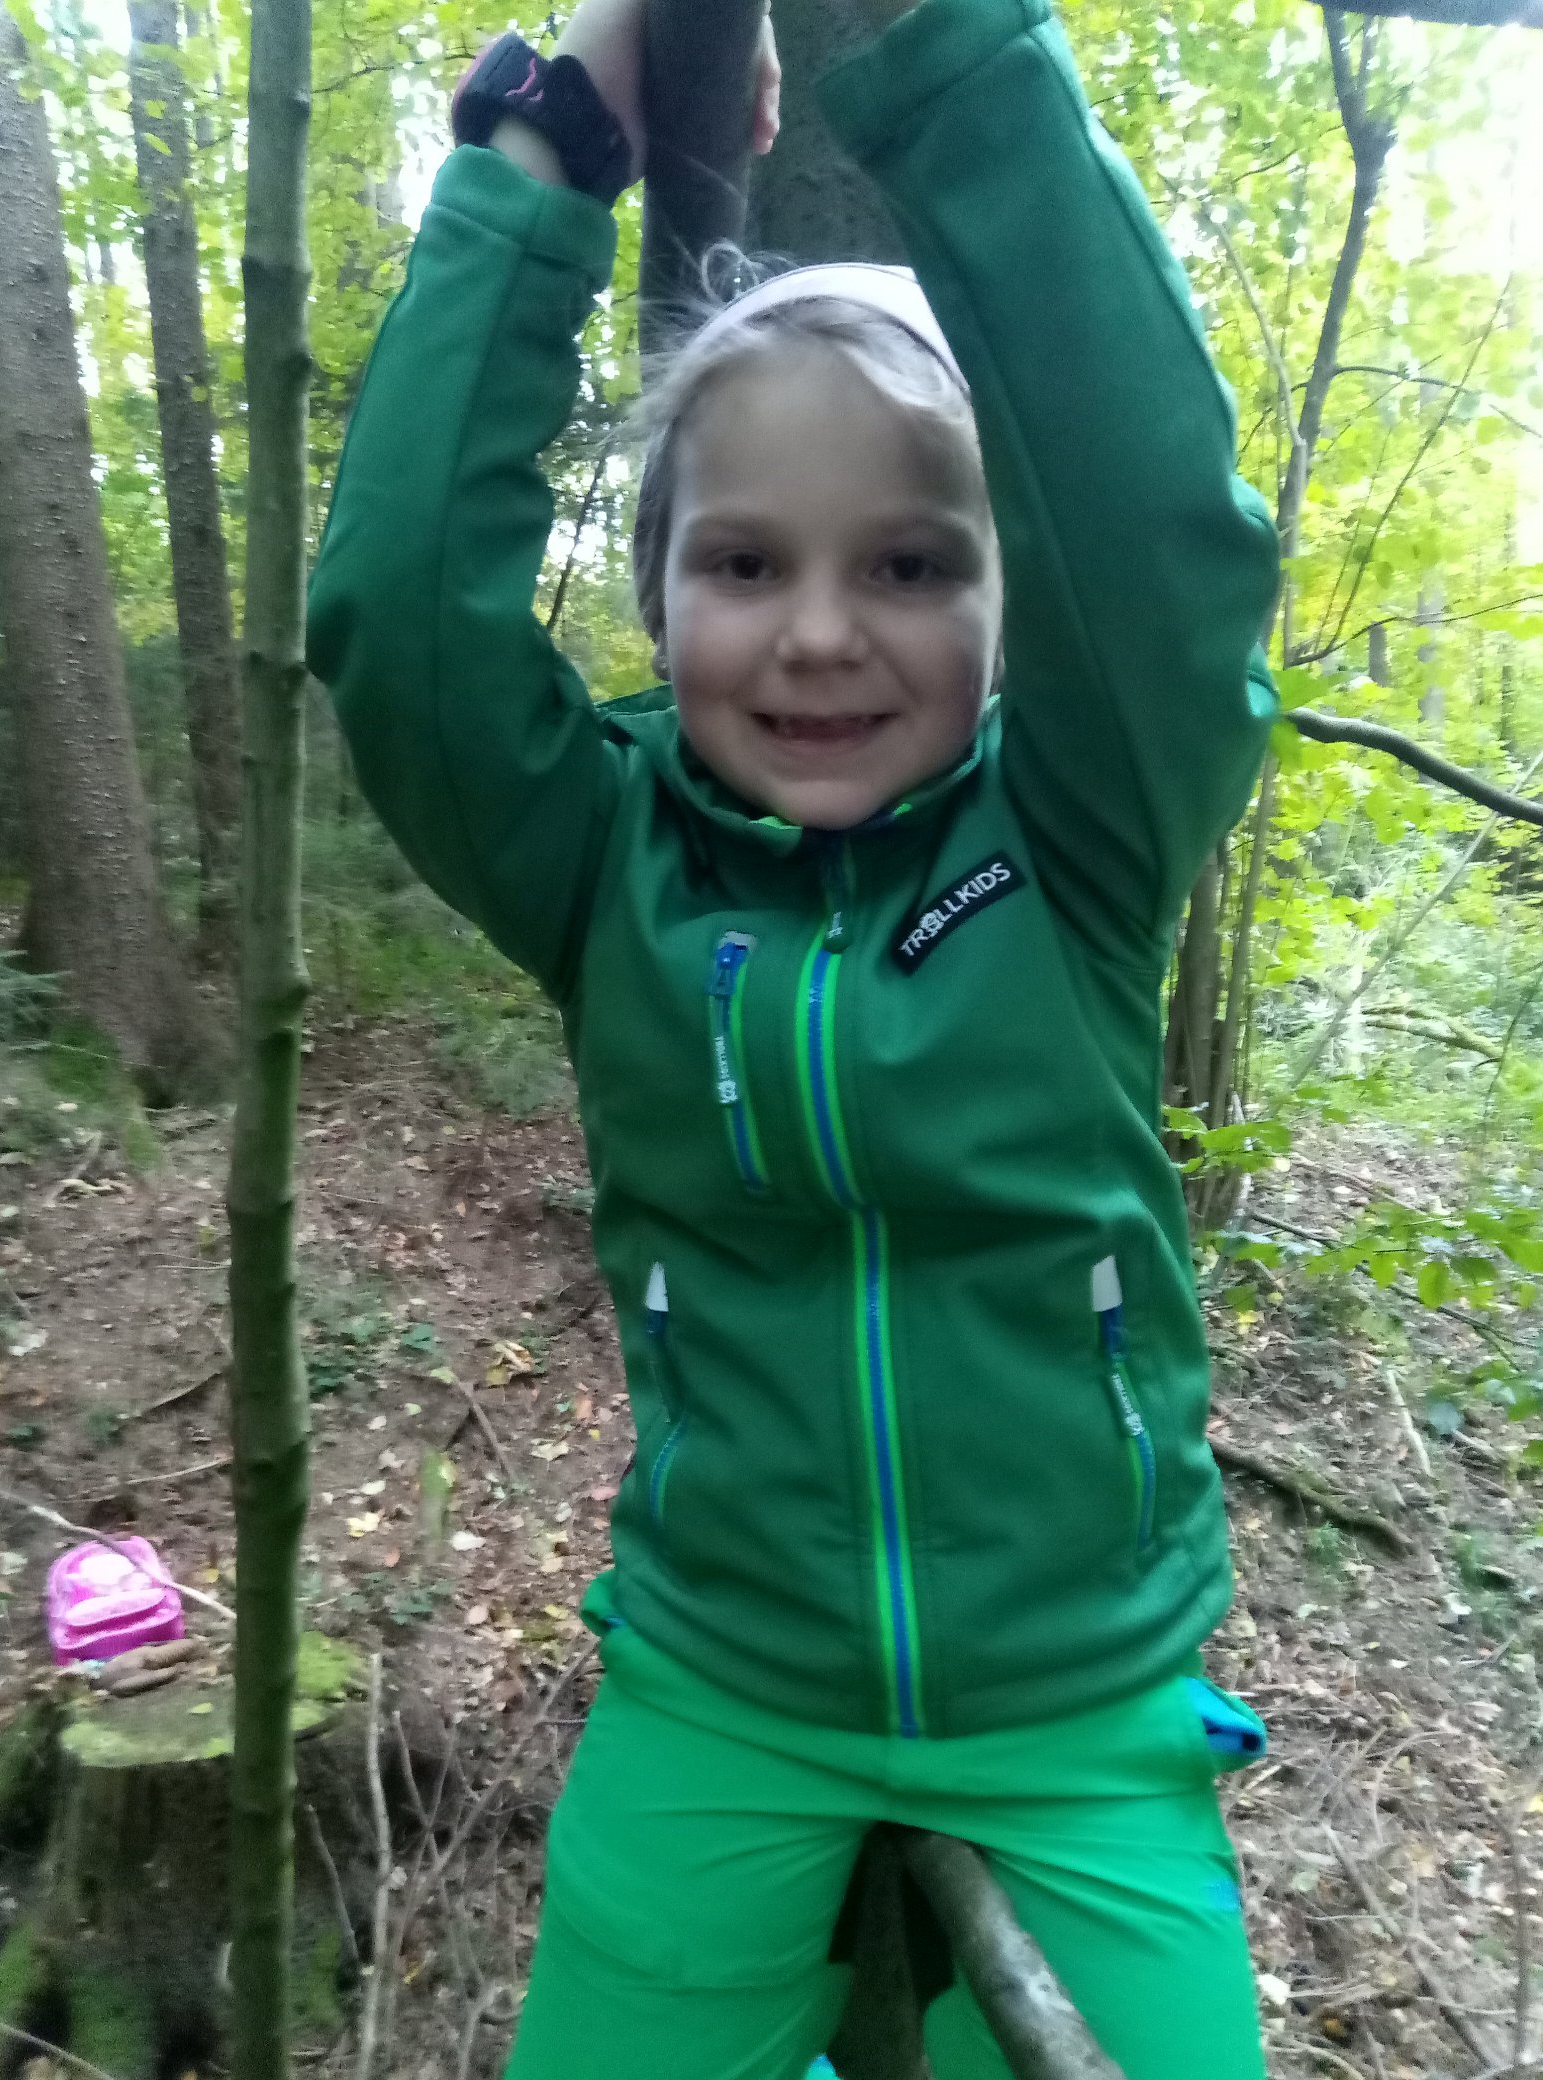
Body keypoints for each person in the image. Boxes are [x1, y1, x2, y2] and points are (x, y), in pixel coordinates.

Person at [306, 0, 1283, 2072]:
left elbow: (1159, 535)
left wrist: (955, 58)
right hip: (721, 1695)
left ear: (1012, 607)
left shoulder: (1086, 832)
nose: (822, 631)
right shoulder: (604, 858)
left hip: (1082, 1712)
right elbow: (398, 616)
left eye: (913, 562)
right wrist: (550, 142)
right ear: (658, 596)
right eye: (743, 561)